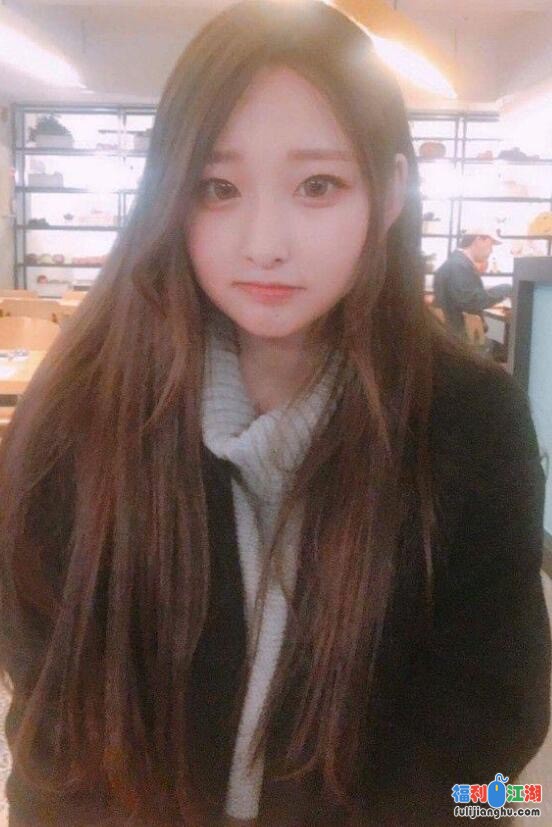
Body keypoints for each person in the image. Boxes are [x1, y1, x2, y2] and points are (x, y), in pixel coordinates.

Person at [0, 2, 549, 825]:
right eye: (218, 188)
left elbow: (486, 726)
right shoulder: (81, 411)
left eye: (318, 185)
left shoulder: (469, 420)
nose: (264, 242)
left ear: (390, 192)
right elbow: (52, 720)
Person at [432, 226, 512, 338]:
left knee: (497, 339)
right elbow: (470, 301)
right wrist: (505, 289)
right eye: (490, 245)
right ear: (478, 240)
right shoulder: (458, 266)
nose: (491, 251)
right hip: (459, 337)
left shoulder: (455, 263)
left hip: (450, 333)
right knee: (504, 341)